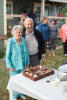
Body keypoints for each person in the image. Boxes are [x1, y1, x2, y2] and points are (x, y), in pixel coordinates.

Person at [6, 25, 29, 100]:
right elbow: (8, 55)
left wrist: (27, 63)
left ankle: (20, 93)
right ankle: (14, 95)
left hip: (23, 64)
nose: (20, 34)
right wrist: (9, 65)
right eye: (18, 32)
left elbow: (26, 52)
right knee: (14, 81)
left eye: (21, 32)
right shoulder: (11, 41)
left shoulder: (23, 40)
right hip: (14, 65)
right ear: (14, 33)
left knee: (21, 80)